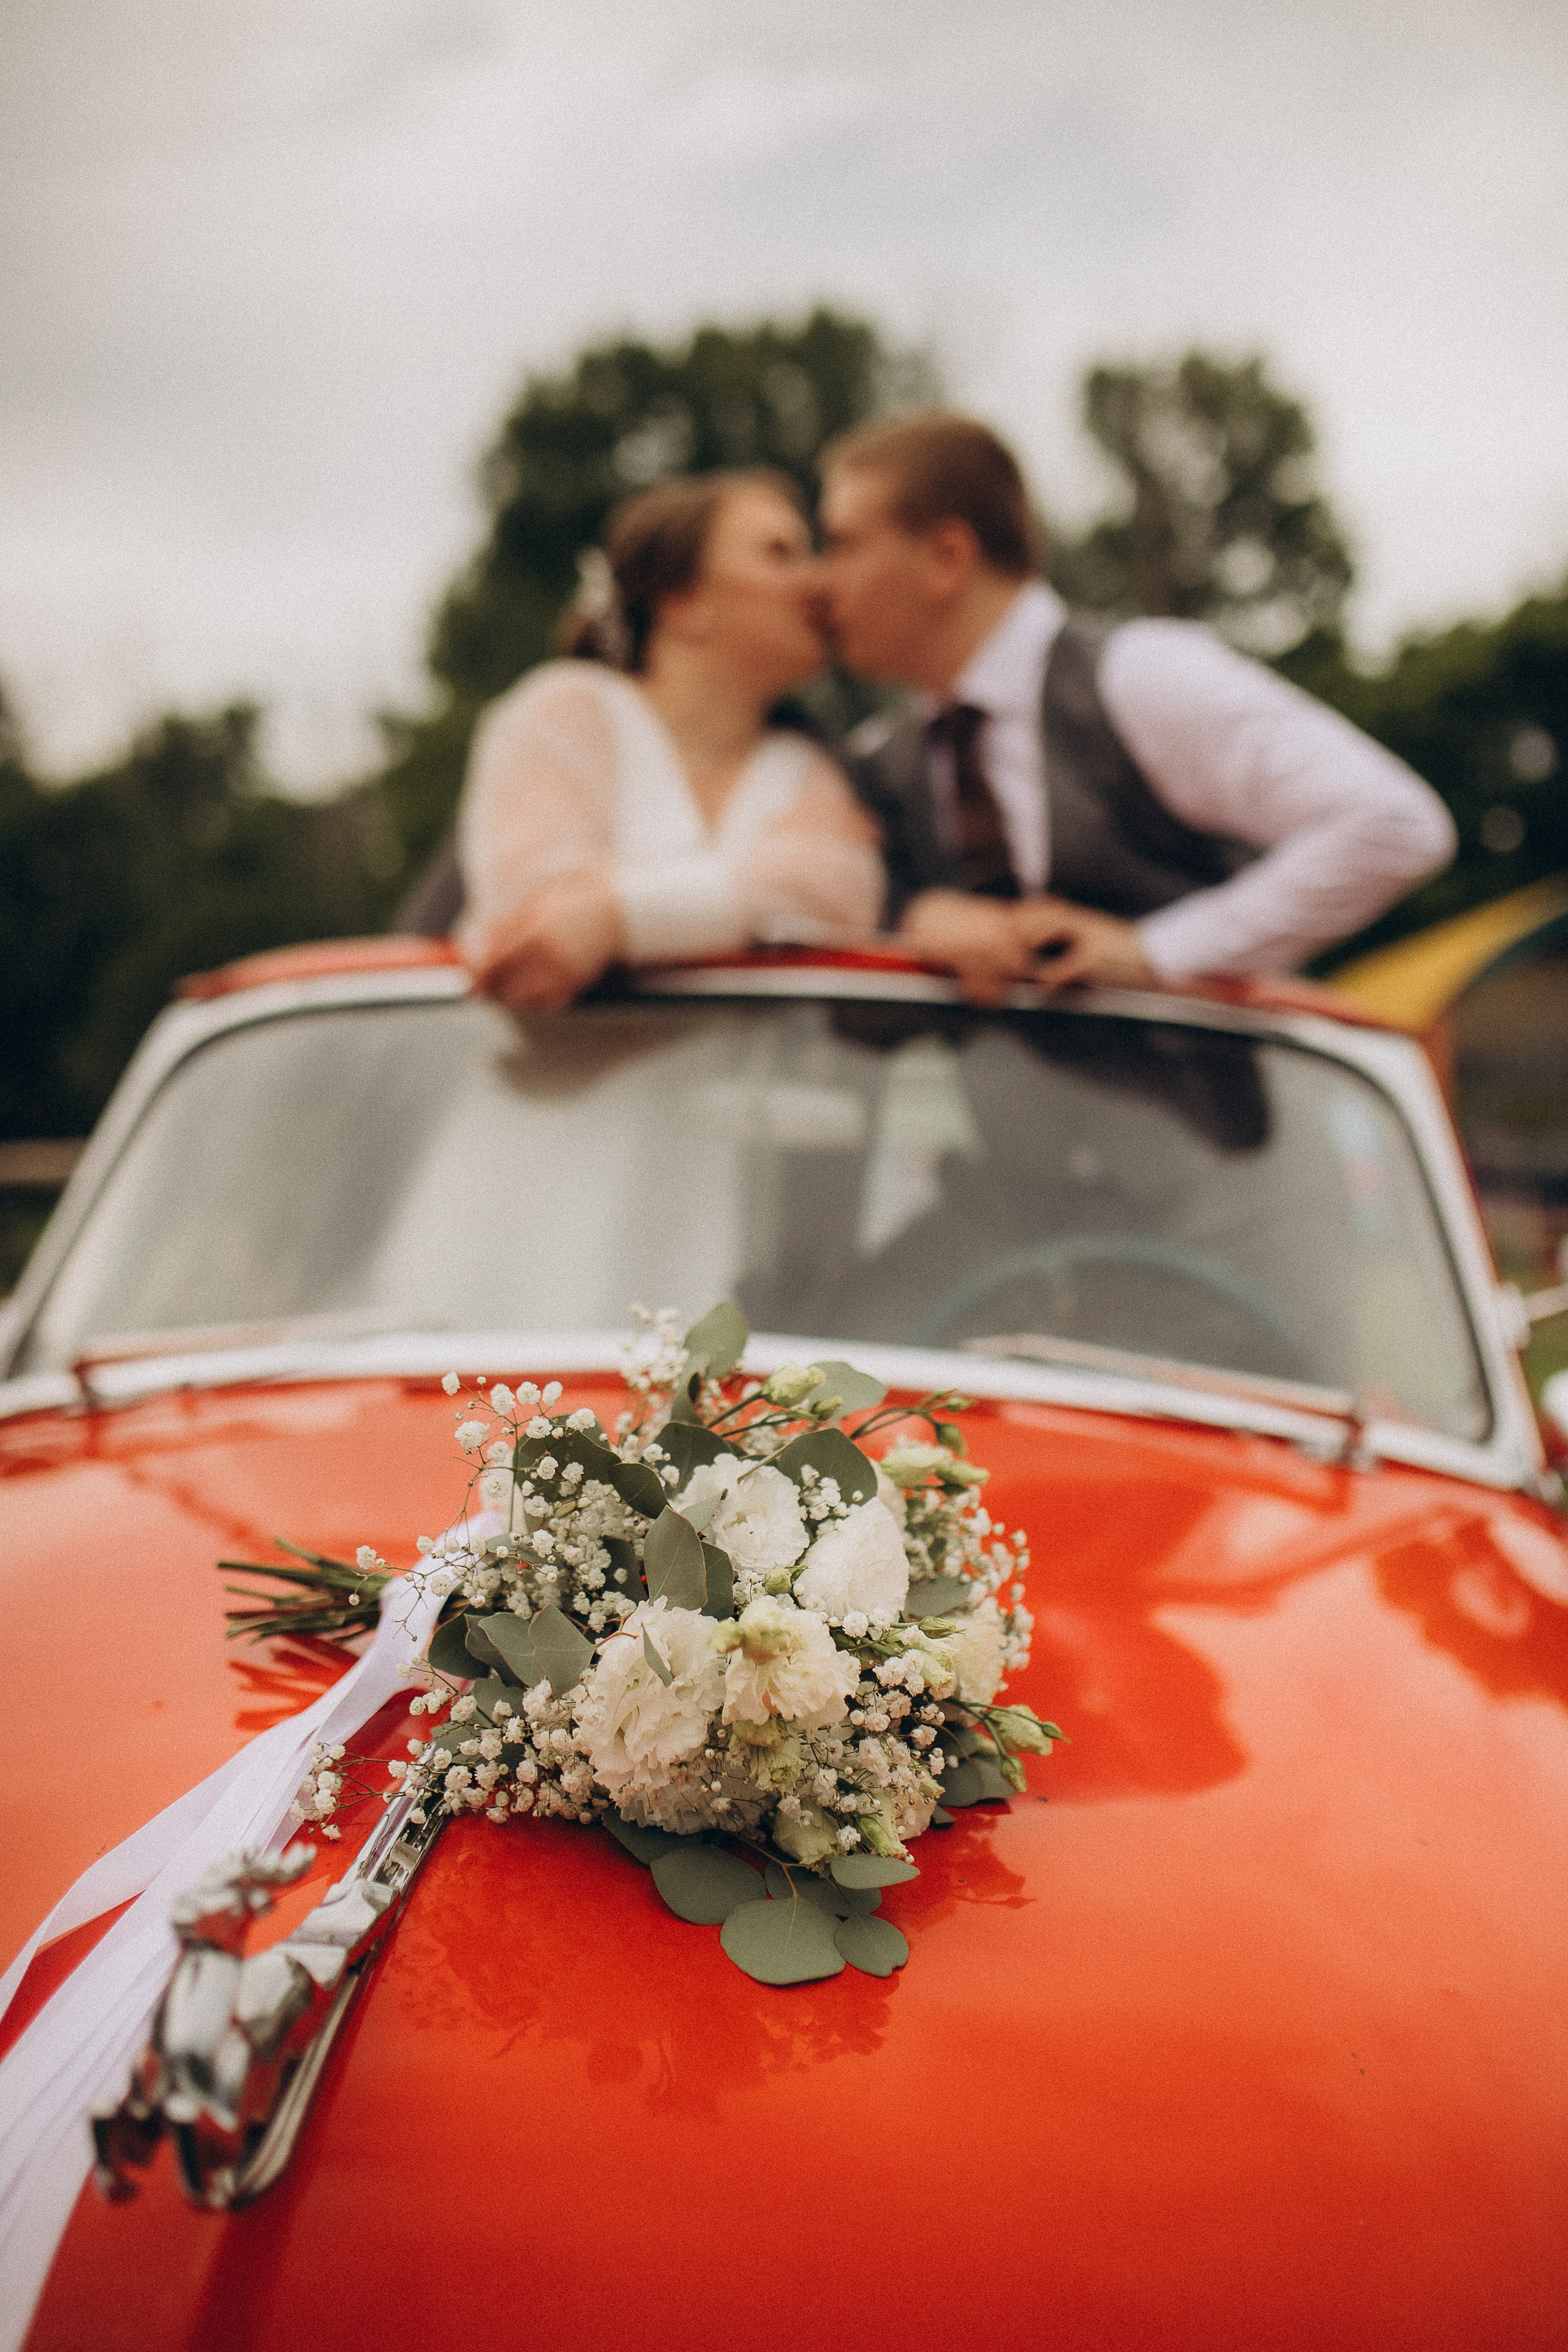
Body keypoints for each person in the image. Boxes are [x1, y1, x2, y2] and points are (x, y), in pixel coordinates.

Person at [816, 413, 1457, 1003]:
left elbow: (1393, 825)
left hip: (1225, 1117)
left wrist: (1159, 950)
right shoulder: (886, 757)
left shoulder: (1139, 675)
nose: (822, 582)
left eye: (845, 545)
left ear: (946, 559)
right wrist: (915, 916)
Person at [455, 469, 883, 1011]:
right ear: (683, 600)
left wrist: (614, 918)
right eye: (780, 555)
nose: (818, 582)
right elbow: (532, 915)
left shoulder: (807, 764)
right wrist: (758, 897)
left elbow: (844, 891)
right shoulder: (563, 713)